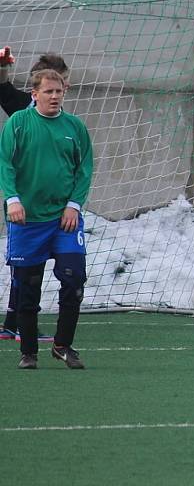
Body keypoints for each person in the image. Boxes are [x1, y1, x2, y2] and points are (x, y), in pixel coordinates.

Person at [0, 69, 92, 369]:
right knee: (28, 286)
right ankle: (28, 352)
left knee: (74, 278)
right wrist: (13, 199)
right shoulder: (18, 123)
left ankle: (63, 345)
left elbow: (84, 170)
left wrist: (74, 205)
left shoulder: (74, 127)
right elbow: (6, 163)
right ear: (34, 94)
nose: (54, 97)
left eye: (59, 92)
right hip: (27, 222)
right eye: (48, 92)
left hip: (64, 220)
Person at [0, 47, 70, 342]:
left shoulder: (60, 120)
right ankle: (19, 325)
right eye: (55, 84)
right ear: (37, 88)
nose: (59, 92)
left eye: (62, 85)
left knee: (26, 264)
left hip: (40, 202)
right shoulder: (24, 113)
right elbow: (3, 88)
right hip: (26, 202)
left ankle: (12, 322)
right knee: (28, 265)